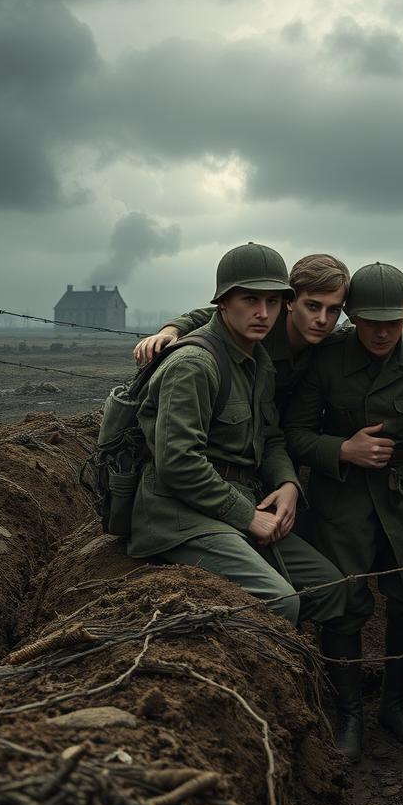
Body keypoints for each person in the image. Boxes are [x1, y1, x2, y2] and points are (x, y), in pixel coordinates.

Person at [284, 263, 403, 762]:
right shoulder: (328, 358)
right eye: (369, 320)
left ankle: (395, 706)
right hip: (343, 495)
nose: (382, 332)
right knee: (344, 598)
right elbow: (293, 432)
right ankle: (348, 715)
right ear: (352, 317)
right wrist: (343, 449)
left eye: (392, 321)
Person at [127, 242, 347, 638]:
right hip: (177, 515)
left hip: (231, 501)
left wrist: (287, 484)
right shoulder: (194, 365)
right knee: (280, 600)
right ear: (224, 304)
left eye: (273, 302)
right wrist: (248, 517)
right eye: (250, 300)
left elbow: (270, 434)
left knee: (331, 589)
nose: (263, 313)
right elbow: (178, 464)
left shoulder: (255, 359)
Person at [133, 253, 350, 418]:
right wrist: (170, 331)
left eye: (333, 310)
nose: (323, 319)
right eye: (313, 306)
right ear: (290, 302)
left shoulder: (331, 342)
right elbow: (212, 314)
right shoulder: (264, 322)